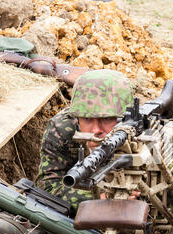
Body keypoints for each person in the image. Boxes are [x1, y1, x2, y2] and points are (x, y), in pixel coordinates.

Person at [35, 69, 135, 216]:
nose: (95, 130)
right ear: (77, 118)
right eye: (87, 119)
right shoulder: (62, 130)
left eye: (106, 119)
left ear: (125, 118)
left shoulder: (140, 130)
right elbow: (47, 189)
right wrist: (99, 198)